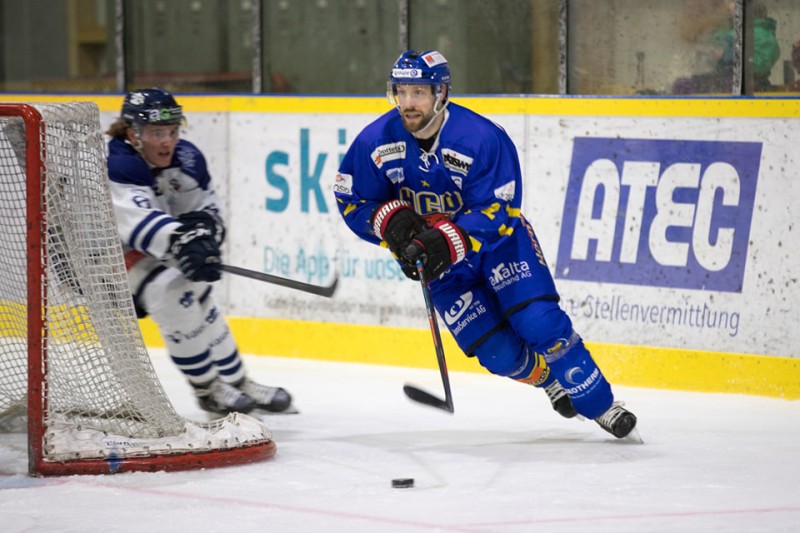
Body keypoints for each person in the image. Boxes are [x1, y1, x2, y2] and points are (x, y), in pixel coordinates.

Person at [334, 50, 637, 439]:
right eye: (402, 92)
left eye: (419, 92)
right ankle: (549, 380)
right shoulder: (377, 140)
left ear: (441, 93)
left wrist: (445, 239)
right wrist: (391, 222)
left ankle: (602, 406)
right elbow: (352, 197)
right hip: (442, 267)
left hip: (499, 247)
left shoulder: (480, 137)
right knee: (497, 353)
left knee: (540, 323)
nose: (408, 103)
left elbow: (500, 207)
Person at [105, 87, 293, 416]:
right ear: (133, 132)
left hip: (150, 247)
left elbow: (206, 211)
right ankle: (207, 390)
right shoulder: (118, 163)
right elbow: (138, 225)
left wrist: (204, 236)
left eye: (173, 131)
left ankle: (237, 382)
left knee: (198, 290)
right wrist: (184, 241)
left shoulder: (186, 158)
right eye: (156, 132)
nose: (167, 141)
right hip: (99, 256)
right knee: (171, 291)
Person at [672, 0, 779, 94]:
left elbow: (761, 64)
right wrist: (703, 46)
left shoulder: (763, 35)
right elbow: (703, 43)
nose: (728, 5)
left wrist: (725, 53)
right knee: (682, 85)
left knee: (729, 86)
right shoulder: (726, 30)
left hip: (750, 83)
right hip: (721, 79)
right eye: (729, 2)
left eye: (733, 2)